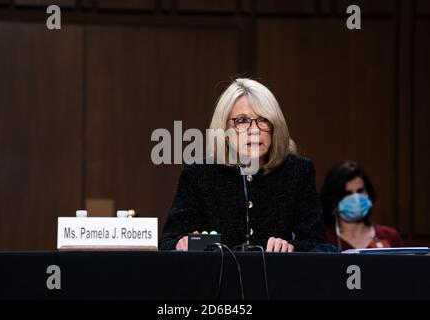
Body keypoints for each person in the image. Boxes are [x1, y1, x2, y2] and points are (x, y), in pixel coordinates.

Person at [159, 78, 327, 252]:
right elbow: (168, 242)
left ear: (275, 127)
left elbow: (319, 245)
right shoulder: (198, 174)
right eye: (242, 120)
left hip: (278, 276)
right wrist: (181, 243)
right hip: (217, 277)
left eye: (263, 119)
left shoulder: (298, 171)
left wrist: (290, 247)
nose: (254, 130)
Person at [320, 161, 403, 251]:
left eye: (360, 191)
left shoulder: (390, 236)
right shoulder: (323, 239)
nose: (356, 198)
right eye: (348, 193)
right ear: (332, 199)